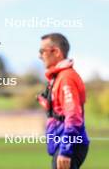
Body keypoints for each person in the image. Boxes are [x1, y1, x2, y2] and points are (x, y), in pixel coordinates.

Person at [37, 33, 89, 169]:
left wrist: (66, 150)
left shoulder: (66, 78)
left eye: (42, 51)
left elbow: (74, 117)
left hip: (68, 146)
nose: (39, 56)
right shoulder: (59, 77)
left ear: (57, 52)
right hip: (62, 144)